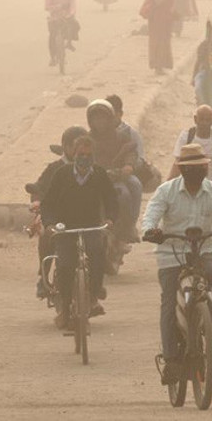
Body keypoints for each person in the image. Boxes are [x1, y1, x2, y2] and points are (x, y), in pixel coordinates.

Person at [142, 143, 212, 384]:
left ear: (206, 167)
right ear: (182, 170)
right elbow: (151, 215)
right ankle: (171, 361)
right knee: (168, 305)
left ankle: (207, 323)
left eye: (201, 167)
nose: (198, 172)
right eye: (192, 168)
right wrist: (151, 230)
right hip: (171, 255)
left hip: (203, 252)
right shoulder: (166, 191)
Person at [41, 135, 118, 328]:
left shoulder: (99, 174)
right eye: (81, 154)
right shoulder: (61, 174)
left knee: (98, 254)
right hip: (65, 228)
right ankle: (65, 309)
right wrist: (49, 224)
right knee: (66, 265)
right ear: (73, 154)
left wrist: (110, 219)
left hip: (91, 226)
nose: (85, 158)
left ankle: (93, 296)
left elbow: (111, 200)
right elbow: (48, 203)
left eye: (89, 155)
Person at [30, 125, 87, 298]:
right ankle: (43, 278)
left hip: (85, 216)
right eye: (74, 147)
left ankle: (94, 291)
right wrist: (37, 201)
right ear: (65, 147)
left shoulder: (93, 168)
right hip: (57, 217)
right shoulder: (54, 168)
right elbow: (39, 188)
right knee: (47, 236)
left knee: (100, 240)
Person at [86, 99, 141, 248]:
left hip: (117, 177)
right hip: (95, 179)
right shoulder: (87, 139)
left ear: (110, 118)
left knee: (132, 188)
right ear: (90, 120)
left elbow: (131, 151)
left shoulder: (121, 136)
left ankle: (129, 226)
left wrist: (129, 165)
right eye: (95, 118)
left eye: (103, 117)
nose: (99, 121)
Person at [169, 105, 212, 185]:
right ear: (195, 119)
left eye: (207, 120)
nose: (204, 123)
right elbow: (178, 163)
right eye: (201, 119)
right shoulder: (186, 136)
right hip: (188, 184)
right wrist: (168, 185)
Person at [140, 0, 177, 75]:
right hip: (157, 21)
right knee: (158, 42)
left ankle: (162, 66)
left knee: (164, 42)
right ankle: (157, 67)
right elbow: (158, 2)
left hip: (165, 21)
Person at [45, 0, 78, 67]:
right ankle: (53, 57)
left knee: (75, 25)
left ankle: (69, 42)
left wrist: (70, 14)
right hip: (55, 18)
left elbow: (73, 5)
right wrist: (56, 7)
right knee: (52, 37)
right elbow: (46, 6)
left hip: (67, 17)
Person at [192, 21, 211, 105]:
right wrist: (194, 76)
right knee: (198, 88)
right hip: (206, 72)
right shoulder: (205, 45)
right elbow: (199, 61)